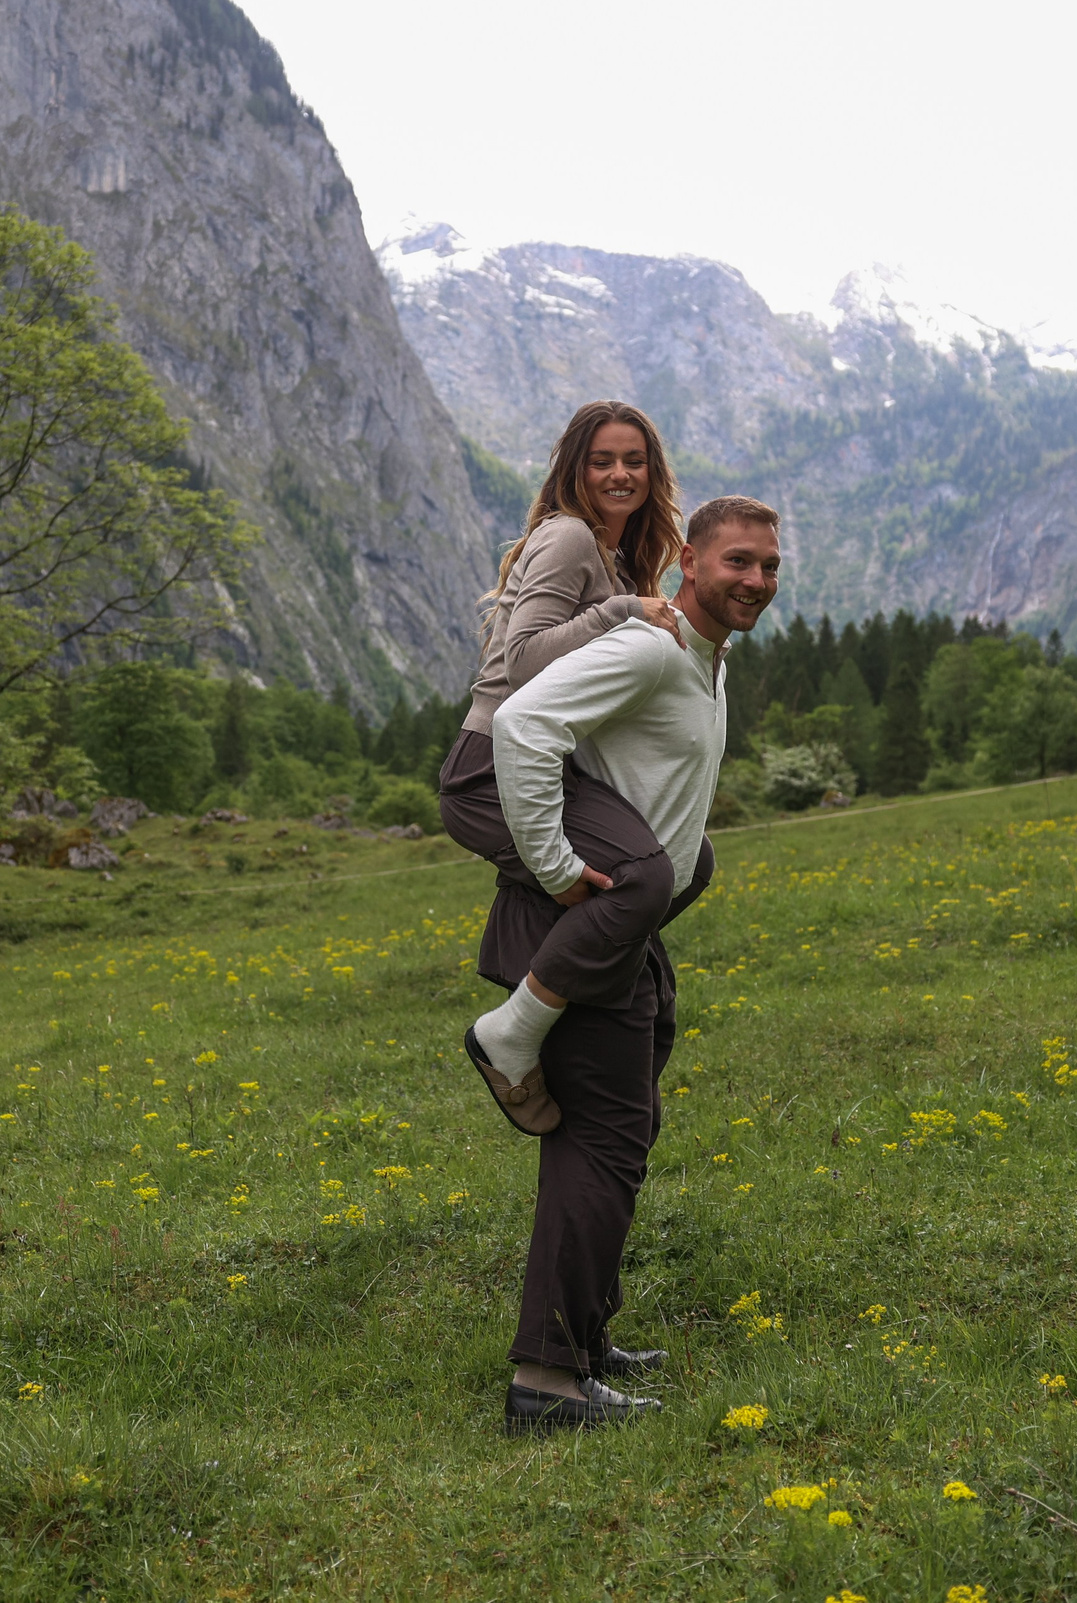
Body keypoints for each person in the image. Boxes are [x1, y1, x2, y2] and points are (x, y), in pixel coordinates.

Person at [484, 496, 784, 1433]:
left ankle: (582, 1341)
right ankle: (547, 1383)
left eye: (771, 567)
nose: (757, 582)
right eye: (738, 561)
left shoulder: (702, 663)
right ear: (688, 560)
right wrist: (558, 868)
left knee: (622, 1132)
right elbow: (522, 725)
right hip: (584, 928)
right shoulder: (653, 648)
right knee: (602, 1144)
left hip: (626, 937)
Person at [440, 400, 688, 1135]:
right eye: (602, 460)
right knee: (642, 877)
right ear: (574, 469)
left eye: (633, 461)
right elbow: (523, 659)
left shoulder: (613, 555)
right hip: (491, 770)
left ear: (653, 472)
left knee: (686, 859)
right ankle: (509, 1034)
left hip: (547, 767)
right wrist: (625, 614)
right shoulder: (571, 537)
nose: (620, 473)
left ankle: (581, 996)